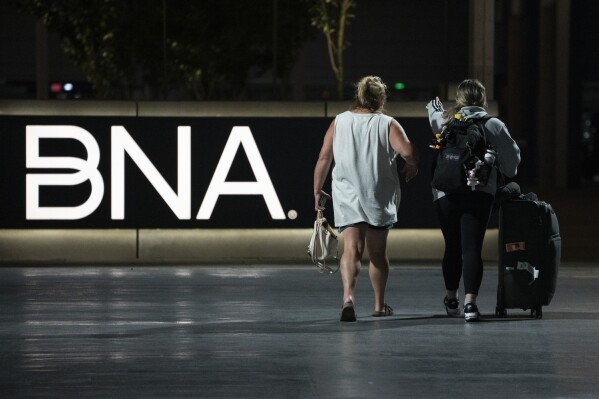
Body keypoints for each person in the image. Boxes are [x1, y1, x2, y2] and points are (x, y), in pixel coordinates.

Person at [313, 76, 419, 322]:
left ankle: (348, 298)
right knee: (378, 253)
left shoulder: (339, 121)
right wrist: (412, 165)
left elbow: (323, 158)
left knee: (352, 248)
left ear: (358, 96)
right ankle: (379, 305)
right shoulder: (387, 123)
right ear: (381, 98)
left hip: (347, 195)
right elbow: (408, 152)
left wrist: (317, 190)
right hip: (378, 195)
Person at [426, 79, 521, 322]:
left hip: (445, 193)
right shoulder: (494, 124)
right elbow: (512, 165)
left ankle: (451, 299)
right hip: (478, 192)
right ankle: (470, 304)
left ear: (459, 100)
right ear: (482, 99)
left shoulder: (447, 121)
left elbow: (433, 113)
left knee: (452, 246)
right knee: (471, 247)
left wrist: (434, 107)